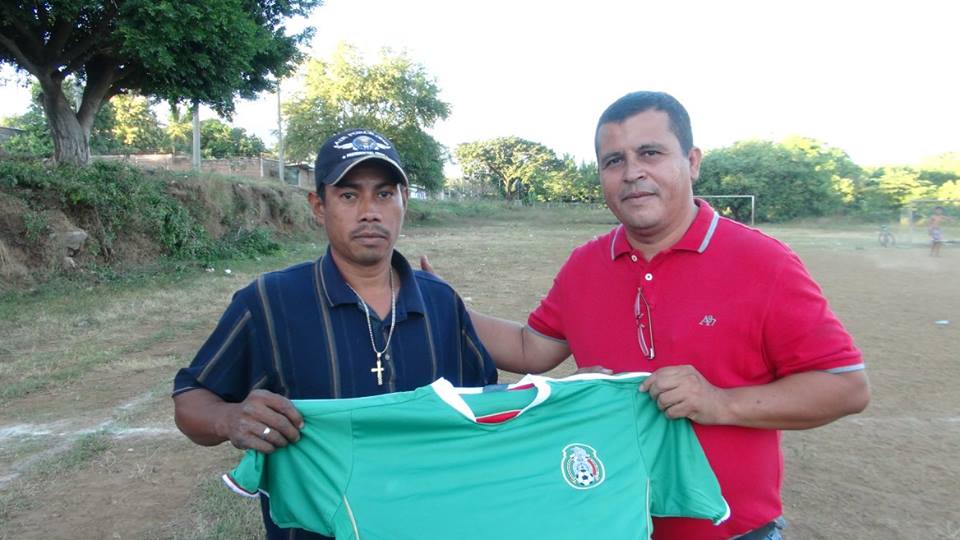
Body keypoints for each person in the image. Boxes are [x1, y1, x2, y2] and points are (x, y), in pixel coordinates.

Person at [433, 91, 870, 539]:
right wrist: (445, 306)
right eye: (613, 161)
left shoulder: (763, 262)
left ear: (693, 161)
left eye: (650, 153)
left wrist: (723, 403)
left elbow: (846, 387)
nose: (632, 173)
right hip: (609, 525)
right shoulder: (586, 264)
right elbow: (532, 348)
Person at [172, 128, 497, 540]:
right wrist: (228, 417)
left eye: (384, 194)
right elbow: (190, 399)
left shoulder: (442, 304)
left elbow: (484, 413)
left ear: (404, 201)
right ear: (318, 206)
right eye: (348, 195)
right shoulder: (270, 302)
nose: (369, 212)